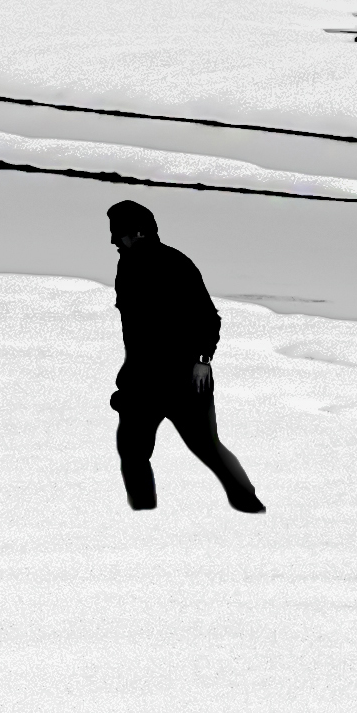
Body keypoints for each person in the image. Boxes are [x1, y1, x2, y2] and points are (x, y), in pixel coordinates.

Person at [103, 198, 266, 513]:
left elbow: (208, 317)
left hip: (185, 381)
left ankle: (250, 505)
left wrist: (203, 359)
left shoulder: (177, 265)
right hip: (142, 382)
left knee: (206, 448)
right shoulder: (126, 265)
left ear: (139, 233)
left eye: (117, 233)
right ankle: (143, 514)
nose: (112, 240)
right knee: (132, 451)